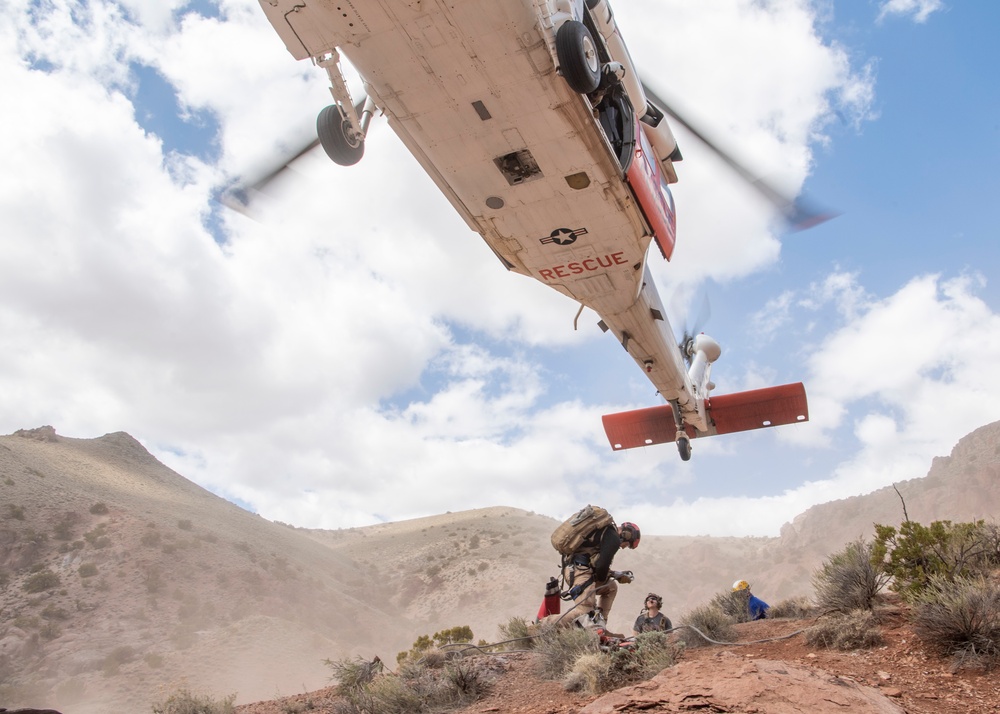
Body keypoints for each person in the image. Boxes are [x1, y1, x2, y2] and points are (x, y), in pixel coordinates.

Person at [562, 520, 640, 625]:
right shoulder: (613, 538)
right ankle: (544, 625)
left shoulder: (606, 533)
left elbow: (597, 565)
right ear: (627, 535)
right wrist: (611, 574)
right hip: (579, 572)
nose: (623, 547)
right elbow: (601, 571)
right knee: (584, 614)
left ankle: (600, 624)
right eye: (628, 544)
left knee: (611, 587)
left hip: (578, 570)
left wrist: (614, 574)